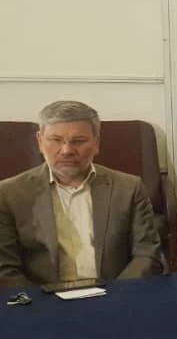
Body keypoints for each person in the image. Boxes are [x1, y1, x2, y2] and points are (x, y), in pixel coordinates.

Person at [0, 101, 162, 287]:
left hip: (114, 293)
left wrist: (117, 295)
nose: (67, 151)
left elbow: (147, 254)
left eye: (78, 141)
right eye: (56, 140)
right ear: (40, 141)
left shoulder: (129, 188)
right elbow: (5, 267)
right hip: (42, 298)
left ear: (96, 143)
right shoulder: (8, 194)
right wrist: (39, 301)